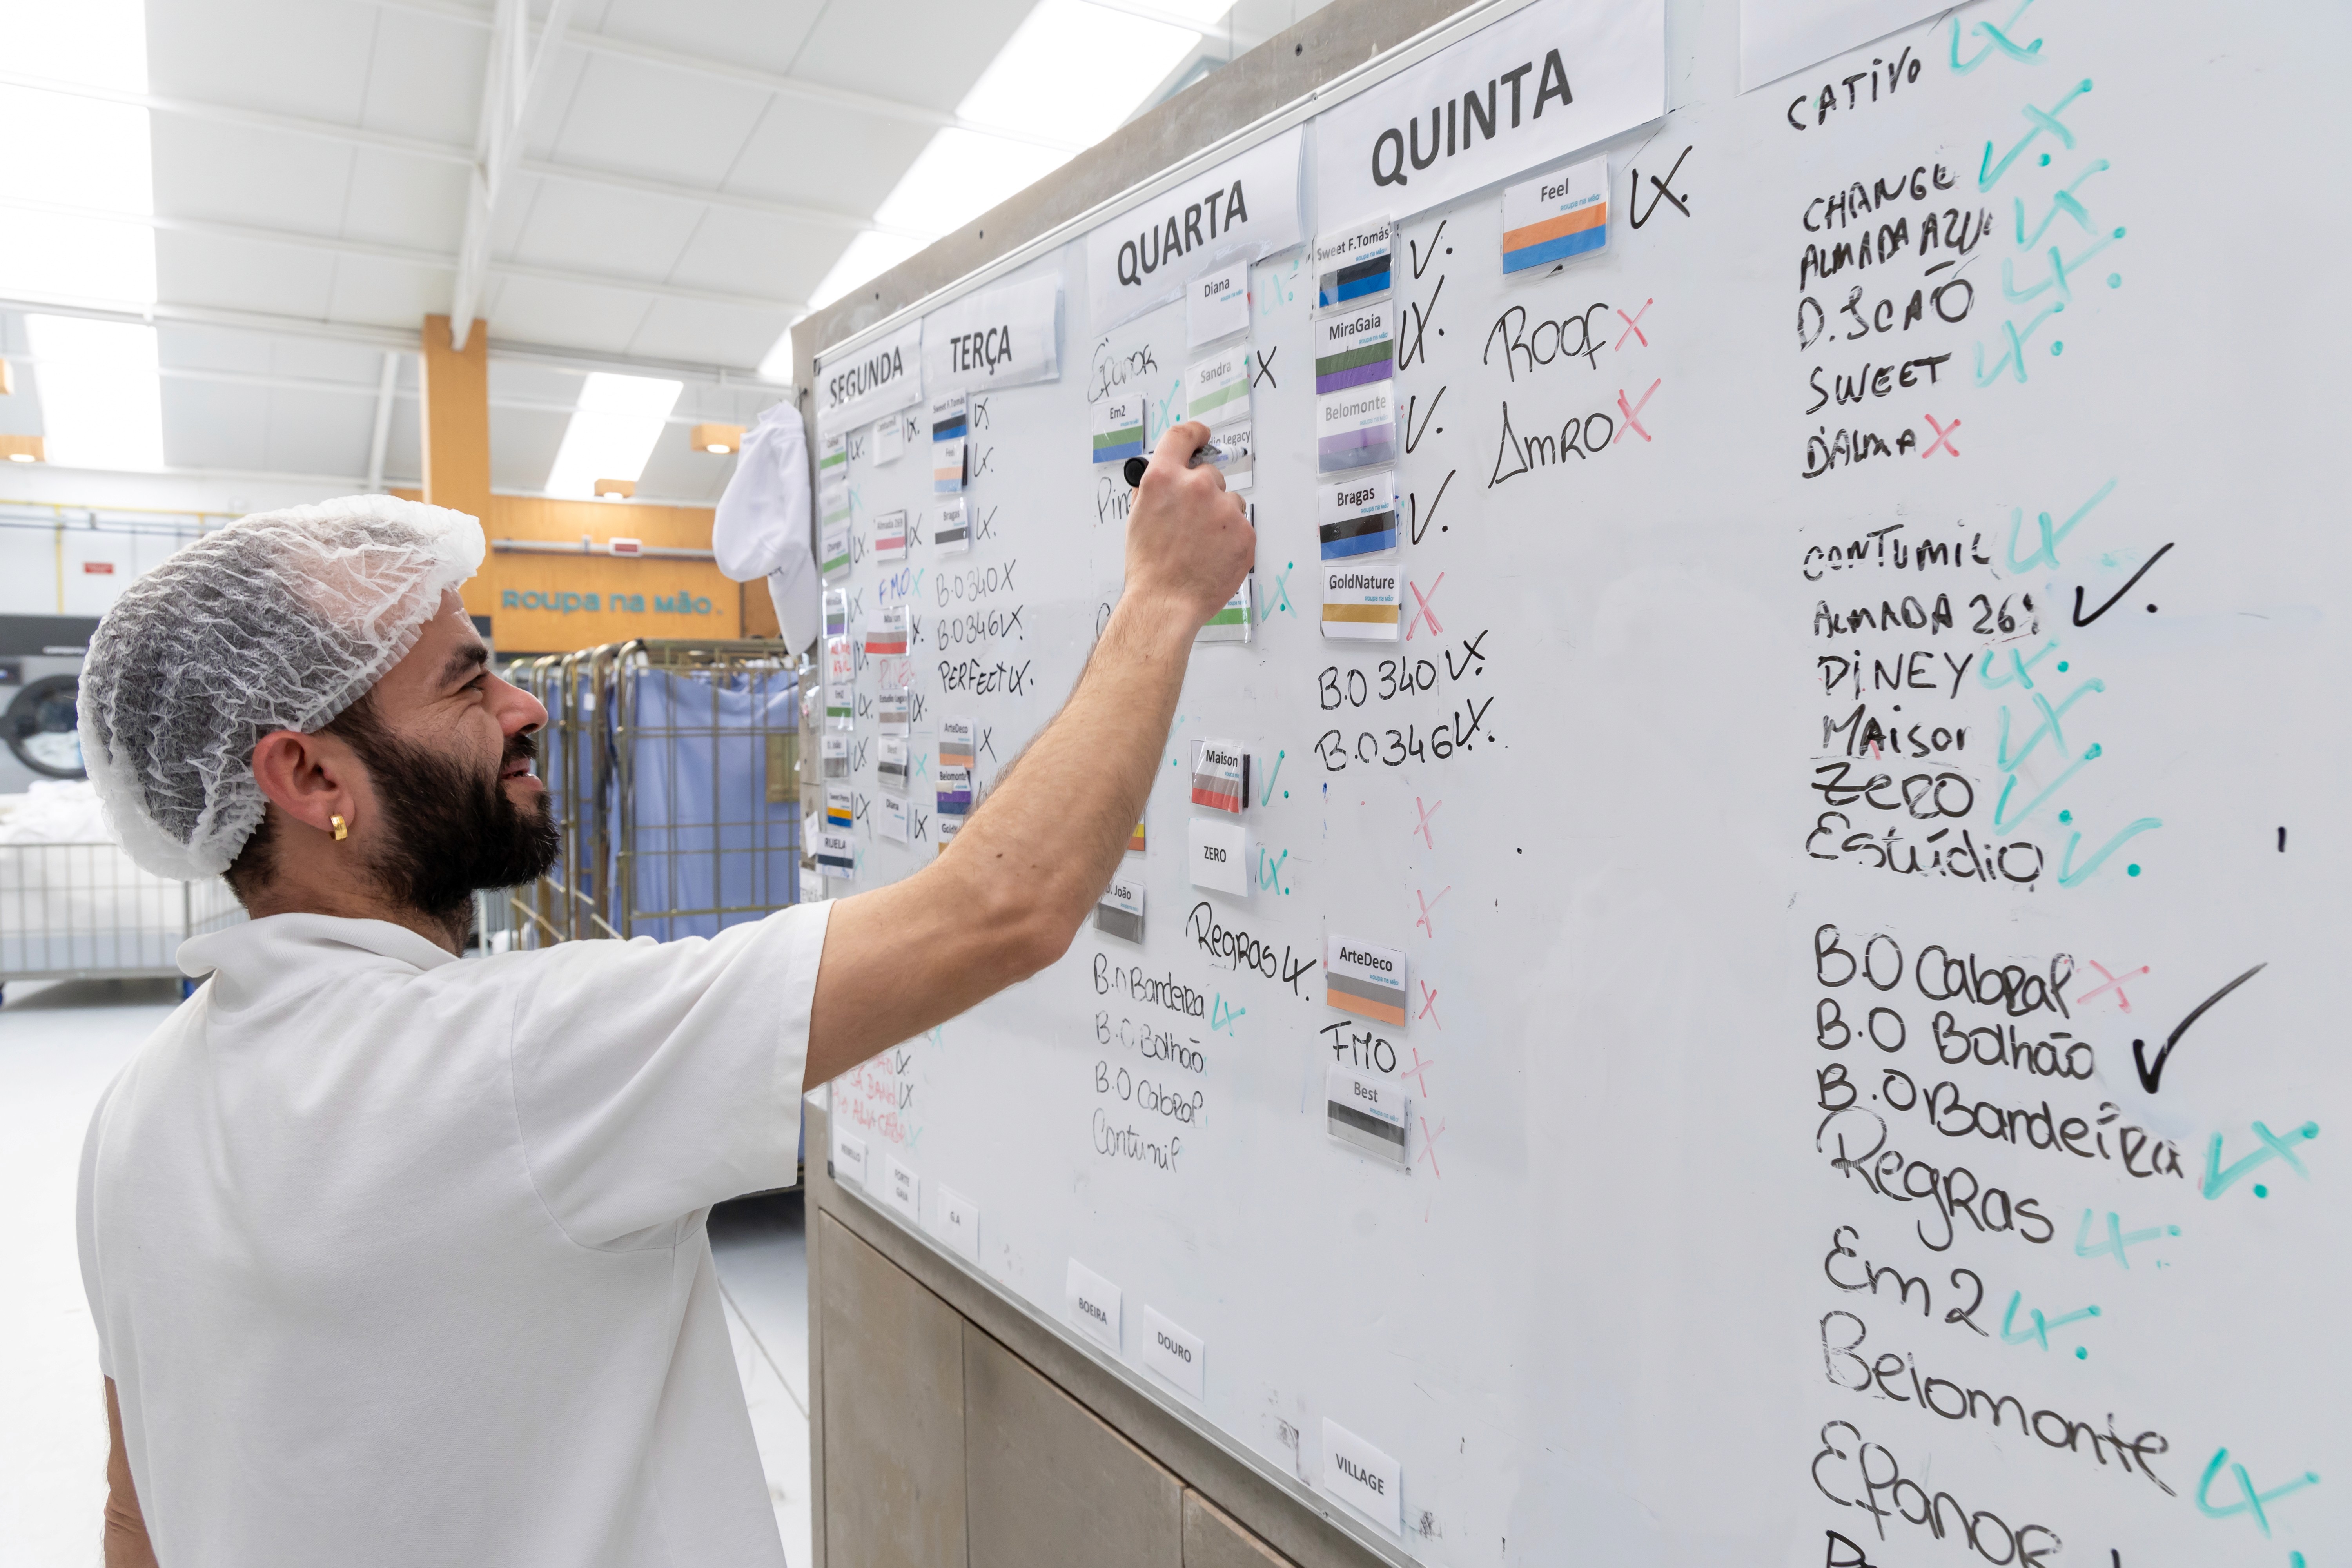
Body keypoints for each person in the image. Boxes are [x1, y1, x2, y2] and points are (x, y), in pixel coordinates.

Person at [73, 421, 1253, 1568]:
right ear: (311, 773)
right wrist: (1161, 596)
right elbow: (1003, 910)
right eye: (467, 684)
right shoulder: (513, 1068)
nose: (525, 708)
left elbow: (140, 1521)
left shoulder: (137, 1114)